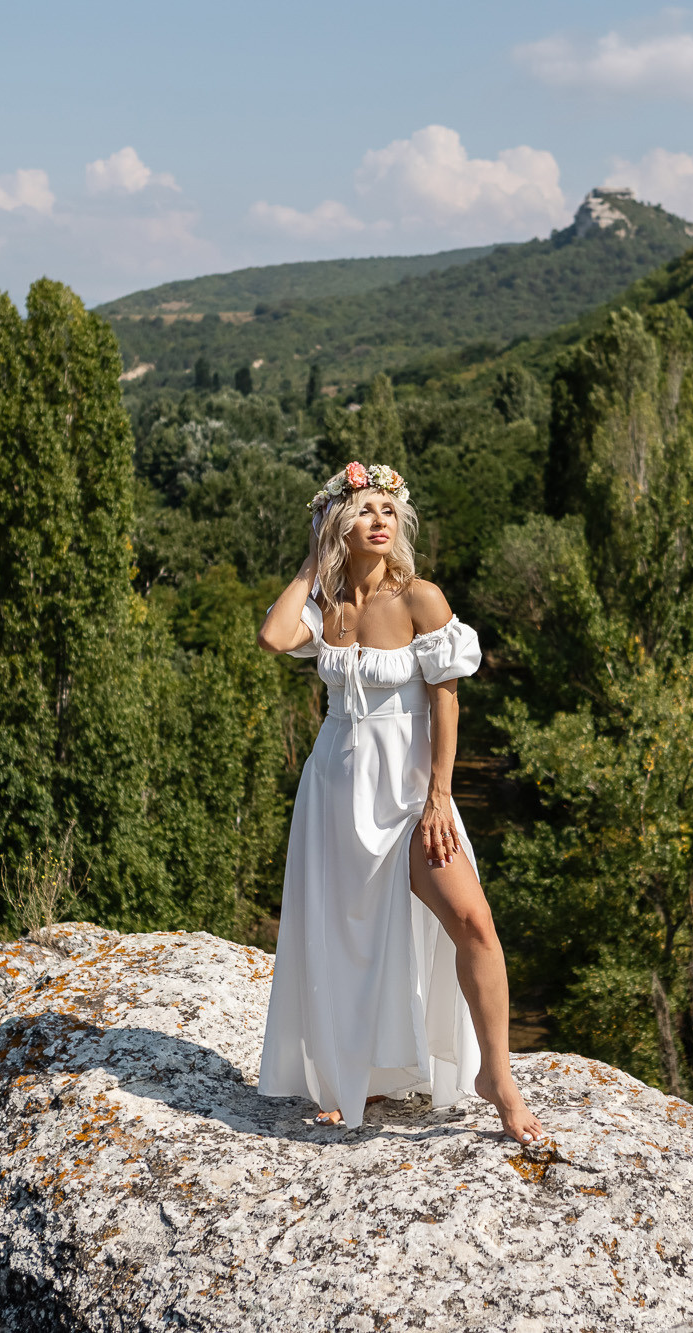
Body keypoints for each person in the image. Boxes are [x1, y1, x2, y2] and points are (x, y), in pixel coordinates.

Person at [255, 460, 545, 1145]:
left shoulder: (421, 598)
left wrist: (440, 796)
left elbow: (446, 699)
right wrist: (310, 560)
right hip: (334, 792)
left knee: (473, 919)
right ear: (338, 525)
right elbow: (272, 636)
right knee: (348, 941)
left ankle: (496, 1076)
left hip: (411, 794)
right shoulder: (326, 607)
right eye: (363, 509)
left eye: (388, 508)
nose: (379, 520)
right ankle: (355, 1075)